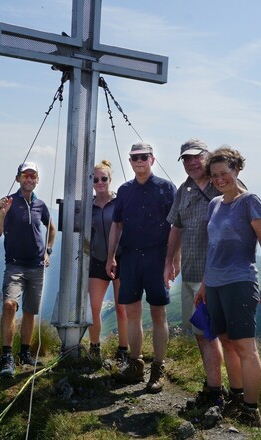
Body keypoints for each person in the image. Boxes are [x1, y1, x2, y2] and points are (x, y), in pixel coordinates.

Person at [195, 146, 261, 427]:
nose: (219, 179)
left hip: (240, 282)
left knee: (245, 347)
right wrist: (204, 284)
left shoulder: (250, 201)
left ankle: (252, 410)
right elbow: (213, 247)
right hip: (215, 284)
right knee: (227, 342)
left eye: (224, 172)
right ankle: (237, 395)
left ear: (237, 170)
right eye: (214, 174)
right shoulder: (214, 204)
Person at [106, 142, 176, 393]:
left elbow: (176, 227)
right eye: (134, 157)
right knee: (132, 313)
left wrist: (173, 260)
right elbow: (117, 225)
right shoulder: (125, 191)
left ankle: (157, 367)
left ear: (152, 160)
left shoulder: (167, 188)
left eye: (143, 157)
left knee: (158, 314)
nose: (139, 161)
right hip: (131, 257)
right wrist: (110, 256)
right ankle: (136, 365)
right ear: (130, 161)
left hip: (157, 257)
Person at [163, 139, 226, 407]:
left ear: (207, 156)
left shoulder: (222, 185)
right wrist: (169, 261)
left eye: (196, 157)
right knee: (200, 332)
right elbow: (176, 226)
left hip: (213, 274)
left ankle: (218, 390)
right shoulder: (184, 189)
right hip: (189, 272)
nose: (191, 163)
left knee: (212, 332)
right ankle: (214, 387)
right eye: (186, 159)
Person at [0, 161, 56, 379]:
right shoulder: (8, 203)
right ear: (18, 178)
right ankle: (6, 357)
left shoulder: (41, 205)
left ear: (37, 180)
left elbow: (51, 227)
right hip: (15, 264)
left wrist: (48, 251)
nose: (29, 179)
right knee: (10, 305)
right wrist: (1, 213)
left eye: (33, 175)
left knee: (30, 311)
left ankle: (25, 353)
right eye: (25, 175)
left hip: (37, 265)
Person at [88, 159, 129, 364]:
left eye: (104, 178)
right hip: (97, 259)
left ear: (110, 179)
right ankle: (94, 348)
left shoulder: (119, 202)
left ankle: (123, 350)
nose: (100, 182)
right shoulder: (89, 206)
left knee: (122, 307)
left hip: (121, 259)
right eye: (95, 179)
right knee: (93, 307)